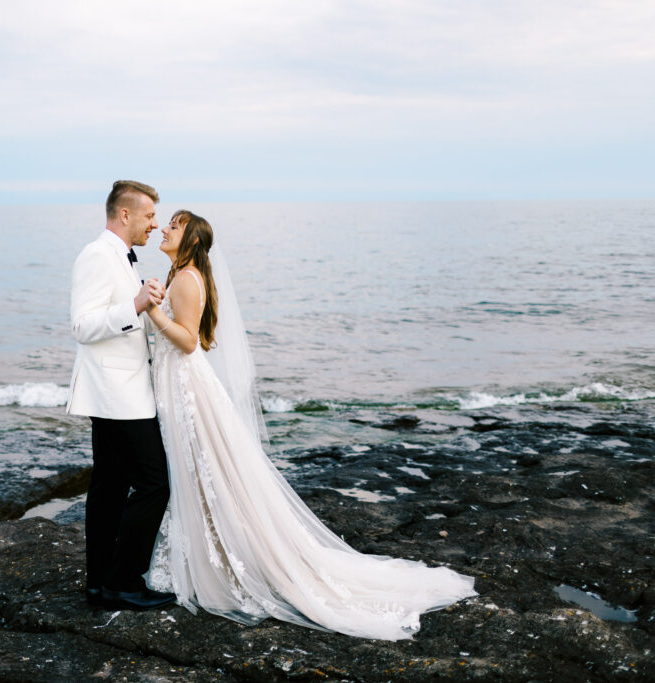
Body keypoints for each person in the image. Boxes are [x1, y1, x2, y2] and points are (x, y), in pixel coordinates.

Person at [141, 210, 477, 640]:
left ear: (189, 239)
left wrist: (153, 310)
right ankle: (213, 555)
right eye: (166, 222)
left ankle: (225, 561)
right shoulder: (179, 273)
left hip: (189, 389)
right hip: (180, 384)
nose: (165, 229)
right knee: (202, 475)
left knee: (207, 473)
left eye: (174, 225)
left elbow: (187, 340)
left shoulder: (187, 279)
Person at [67, 180, 175, 611]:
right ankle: (124, 582)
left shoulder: (122, 258)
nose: (155, 223)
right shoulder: (97, 254)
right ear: (125, 215)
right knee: (154, 485)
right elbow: (82, 326)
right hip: (117, 394)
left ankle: (100, 585)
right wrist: (134, 305)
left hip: (119, 390)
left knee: (109, 488)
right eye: (149, 216)